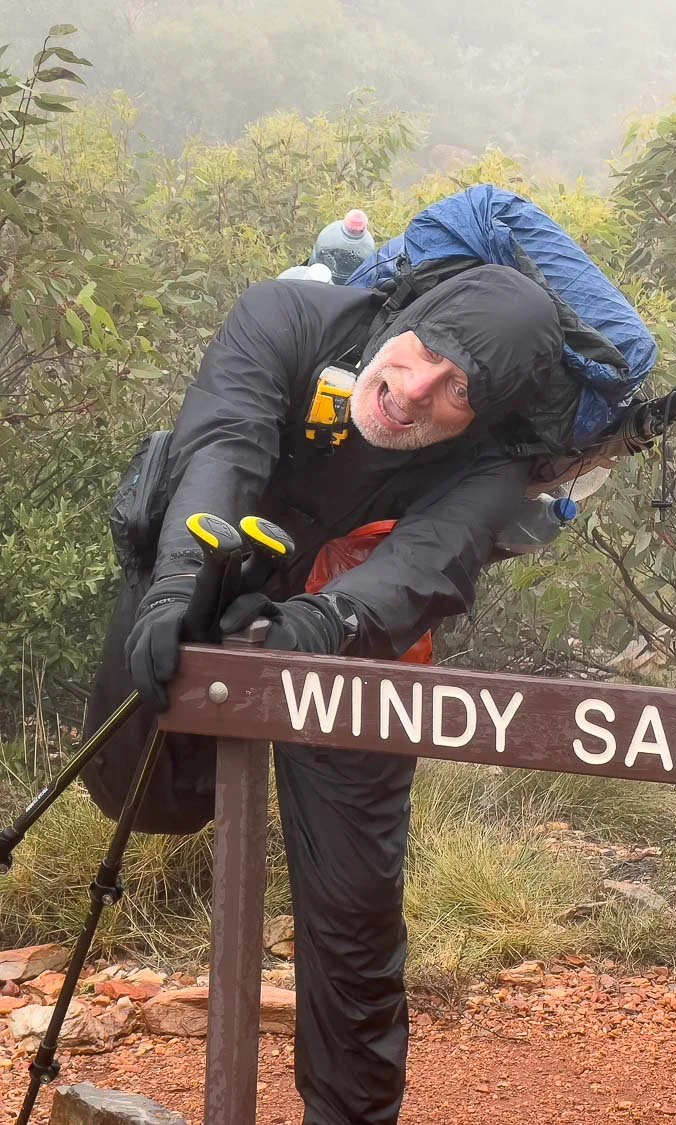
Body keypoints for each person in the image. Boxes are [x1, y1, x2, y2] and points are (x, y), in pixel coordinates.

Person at [82, 263, 571, 1124]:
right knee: (141, 796)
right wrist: (179, 580)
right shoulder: (289, 315)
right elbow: (222, 442)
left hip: (355, 645)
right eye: (428, 353)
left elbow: (425, 564)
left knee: (353, 913)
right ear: (410, 312)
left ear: (486, 413)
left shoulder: (496, 457)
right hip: (210, 569)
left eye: (458, 390)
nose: (415, 391)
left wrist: (312, 627)